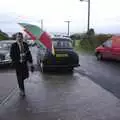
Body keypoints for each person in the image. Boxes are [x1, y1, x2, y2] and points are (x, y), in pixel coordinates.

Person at [10, 32, 34, 96]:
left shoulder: (25, 44)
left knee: (26, 75)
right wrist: (18, 57)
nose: (19, 38)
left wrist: (31, 62)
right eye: (18, 37)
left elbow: (29, 54)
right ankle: (22, 90)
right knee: (20, 77)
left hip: (24, 63)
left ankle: (20, 83)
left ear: (22, 38)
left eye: (20, 37)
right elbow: (11, 55)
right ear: (16, 38)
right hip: (18, 64)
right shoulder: (14, 45)